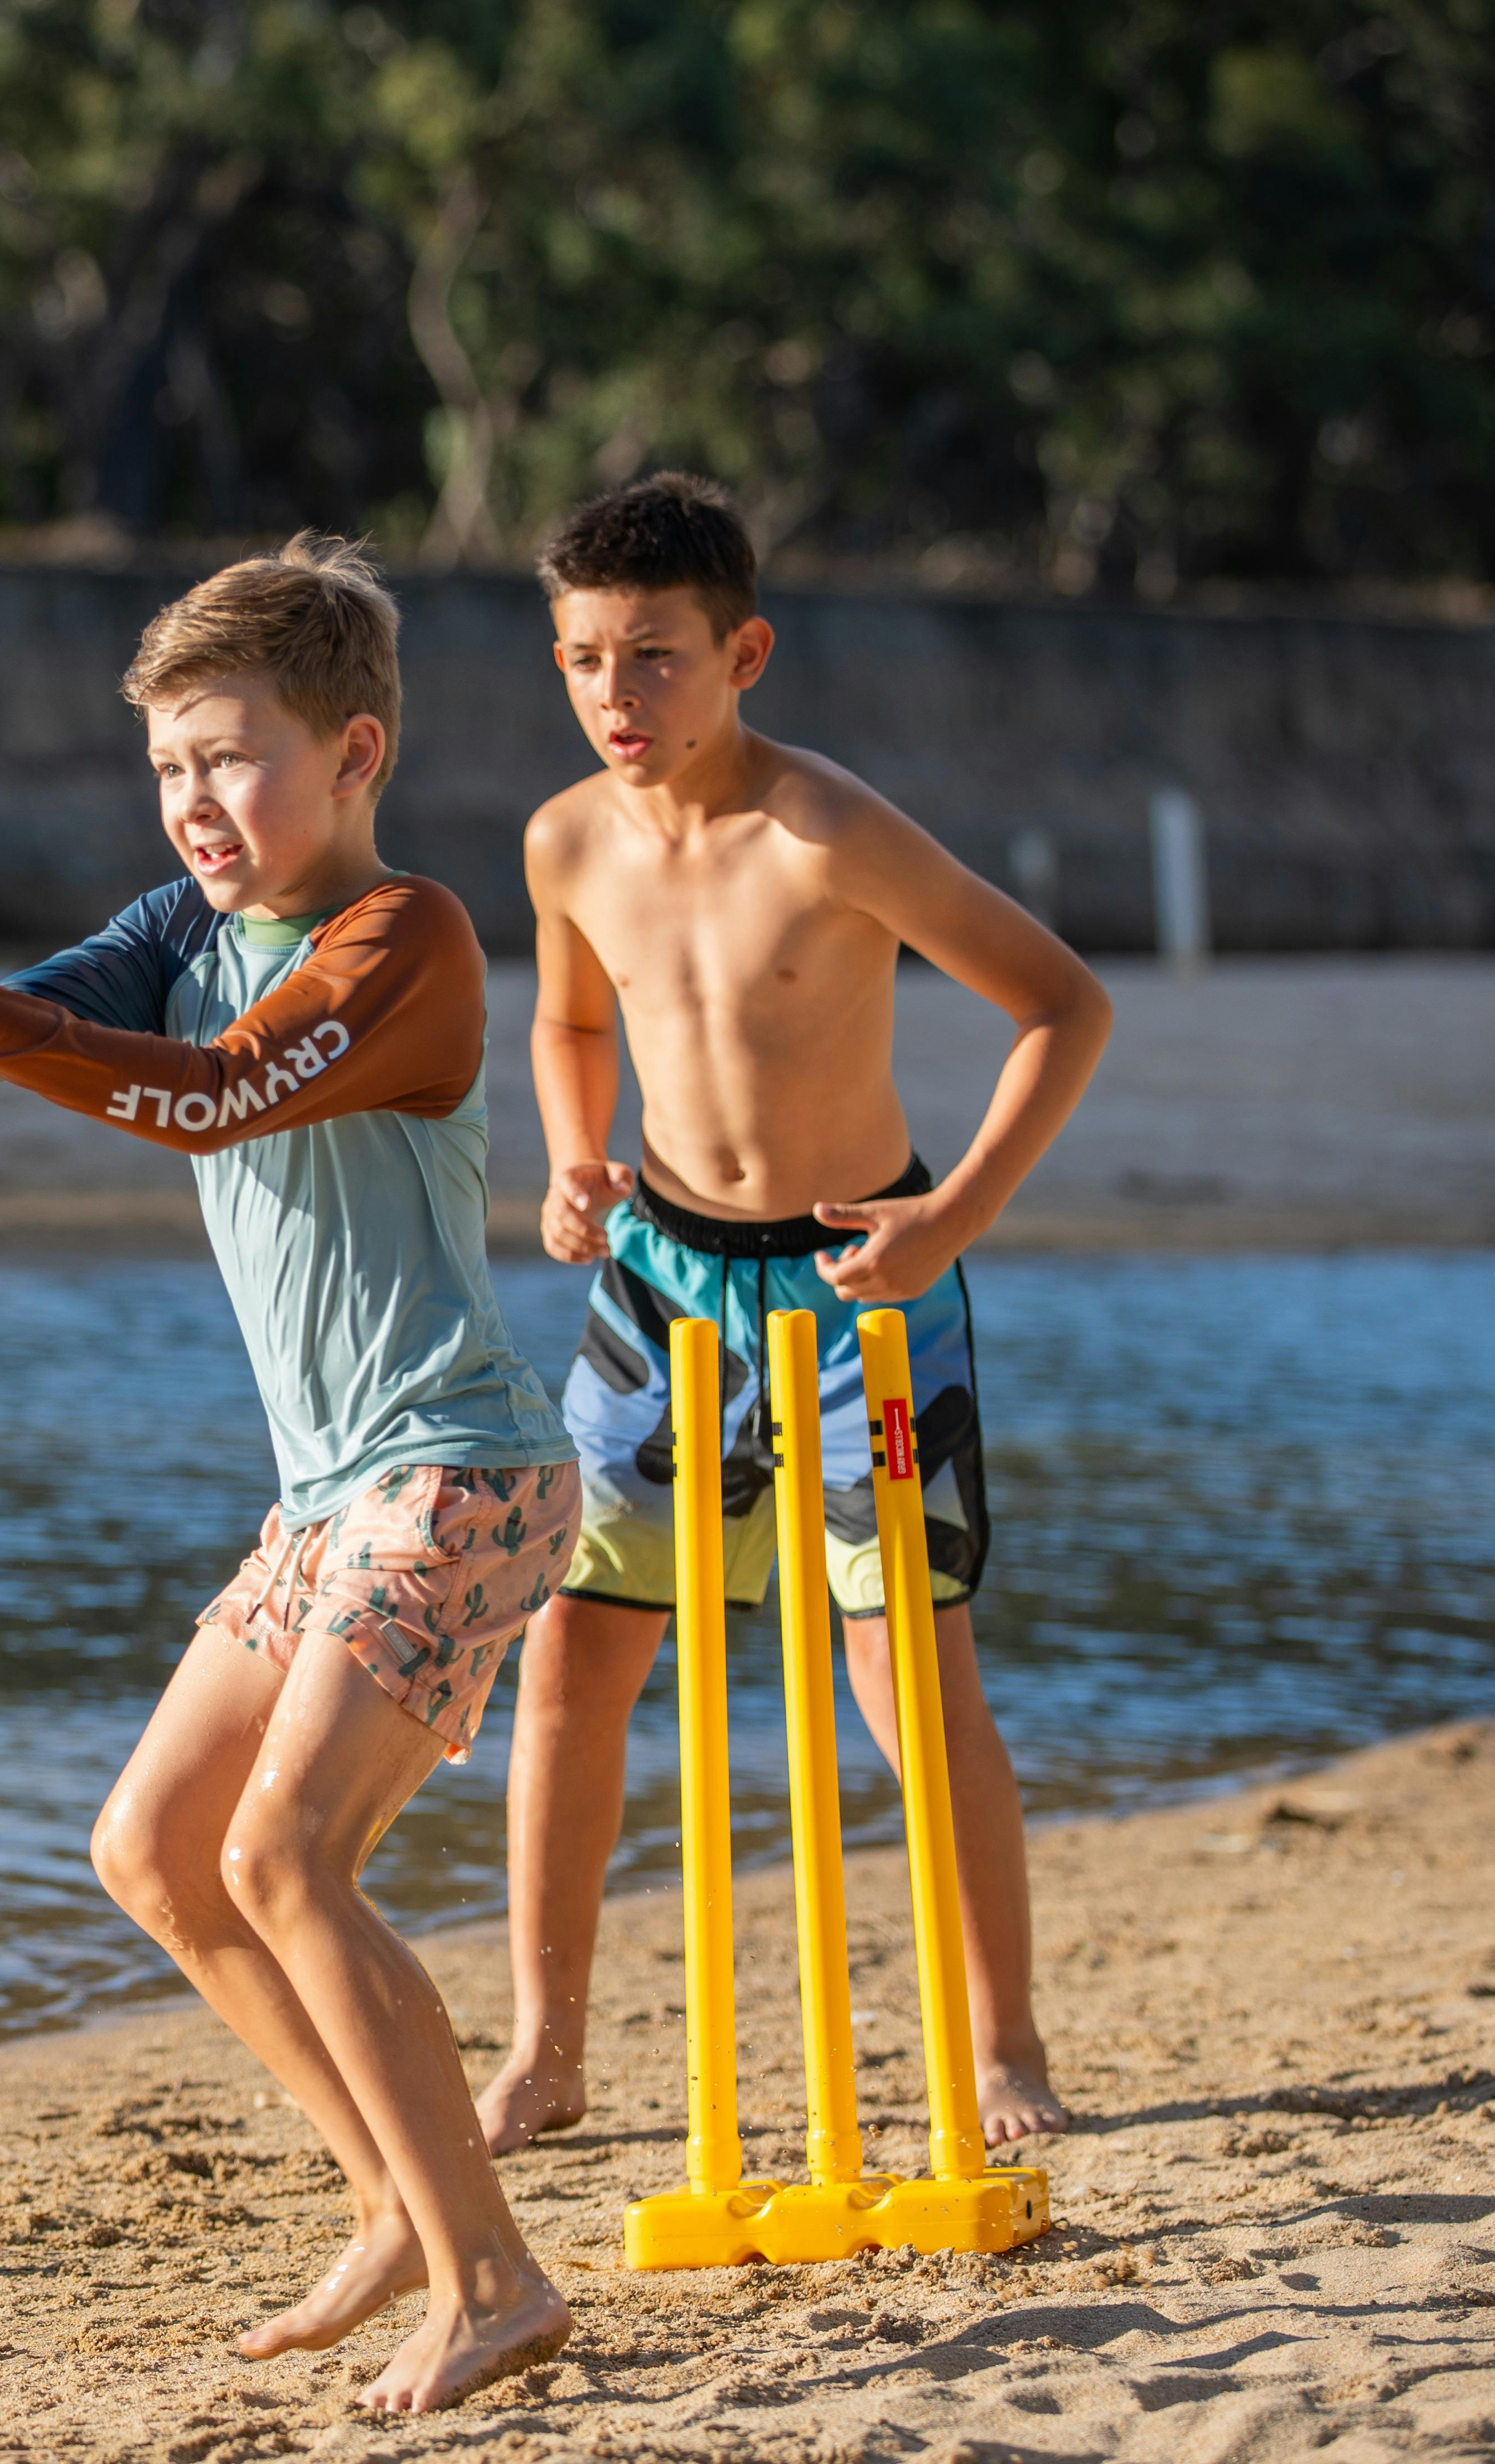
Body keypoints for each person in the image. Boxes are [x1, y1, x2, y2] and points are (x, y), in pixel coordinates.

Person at [0, 537, 579, 2413]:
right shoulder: (177, 924)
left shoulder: (408, 941)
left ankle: (493, 2277)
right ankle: (396, 2201)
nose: (197, 801)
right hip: (334, 1495)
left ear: (356, 752)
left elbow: (212, 1091)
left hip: (460, 1473)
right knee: (157, 1851)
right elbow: (5, 1031)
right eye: (168, 766)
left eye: (234, 758)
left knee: (285, 1851)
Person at [475, 473, 1112, 2162]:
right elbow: (571, 1025)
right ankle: (544, 2052)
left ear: (744, 650)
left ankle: (1006, 2049)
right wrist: (571, 1162)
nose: (622, 697)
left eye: (660, 658)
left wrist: (953, 1217)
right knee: (572, 1663)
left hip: (857, 1305)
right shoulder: (562, 838)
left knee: (911, 1676)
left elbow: (1064, 1003)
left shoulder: (828, 831)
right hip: (656, 1285)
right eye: (588, 661)